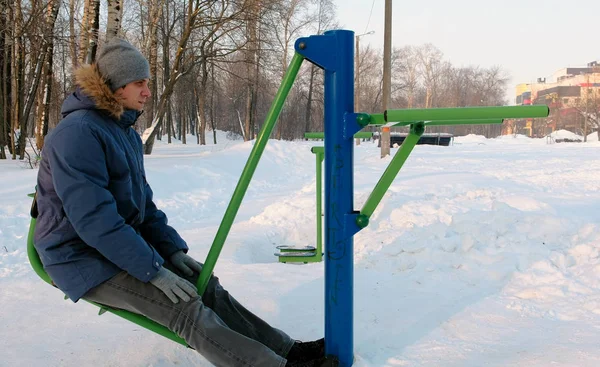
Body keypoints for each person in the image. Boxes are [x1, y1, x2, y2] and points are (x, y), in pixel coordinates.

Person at [34, 38, 338, 367]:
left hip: (114, 246)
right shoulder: (78, 134)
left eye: (147, 83)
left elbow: (143, 207)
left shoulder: (124, 133)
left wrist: (170, 250)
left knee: (206, 286)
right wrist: (154, 272)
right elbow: (94, 221)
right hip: (79, 256)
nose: (148, 91)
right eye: (140, 83)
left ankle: (286, 350)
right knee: (183, 308)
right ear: (115, 86)